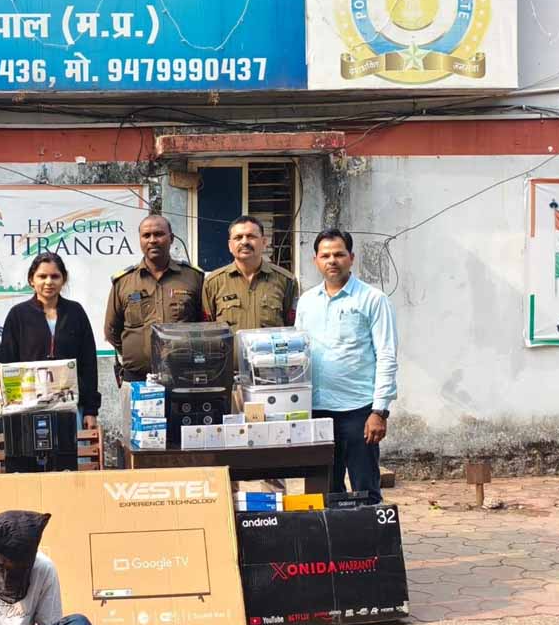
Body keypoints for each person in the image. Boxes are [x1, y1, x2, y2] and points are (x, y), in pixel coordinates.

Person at [295, 229, 398, 505]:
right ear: (315, 260)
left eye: (339, 254)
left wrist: (379, 411)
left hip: (359, 411)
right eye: (325, 255)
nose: (332, 260)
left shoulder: (373, 299)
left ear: (351, 258)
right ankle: (331, 535)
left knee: (366, 490)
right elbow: (298, 353)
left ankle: (369, 534)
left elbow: (387, 356)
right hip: (317, 410)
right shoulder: (306, 301)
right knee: (324, 491)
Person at [0, 252, 101, 429]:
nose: (48, 282)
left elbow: (88, 364)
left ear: (64, 279)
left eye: (55, 276)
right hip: (27, 409)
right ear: (31, 280)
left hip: (69, 407)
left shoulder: (75, 312)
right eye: (42, 276)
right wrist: (8, 411)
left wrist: (91, 410)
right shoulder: (18, 315)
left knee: (70, 447)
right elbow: (7, 363)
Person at [104, 215, 204, 383]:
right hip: (137, 378)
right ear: (140, 240)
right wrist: (135, 353)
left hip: (184, 375)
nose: (152, 240)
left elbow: (206, 325)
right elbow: (111, 330)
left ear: (171, 238)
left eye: (159, 234)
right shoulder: (124, 282)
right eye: (146, 235)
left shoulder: (193, 277)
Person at [202, 215, 300, 345]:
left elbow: (291, 329)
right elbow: (207, 331)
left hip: (269, 358)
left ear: (264, 242)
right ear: (230, 245)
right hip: (229, 358)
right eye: (238, 237)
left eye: (251, 236)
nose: (244, 242)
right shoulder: (213, 282)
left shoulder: (286, 281)